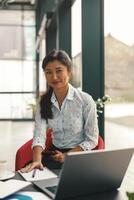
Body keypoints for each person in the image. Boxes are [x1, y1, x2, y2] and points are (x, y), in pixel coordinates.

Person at [21, 49, 99, 172]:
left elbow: (92, 139)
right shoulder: (43, 102)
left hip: (79, 156)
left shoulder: (85, 100)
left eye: (59, 71)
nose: (54, 77)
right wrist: (37, 160)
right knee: (31, 178)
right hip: (54, 155)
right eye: (48, 72)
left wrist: (67, 156)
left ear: (69, 71)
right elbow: (39, 135)